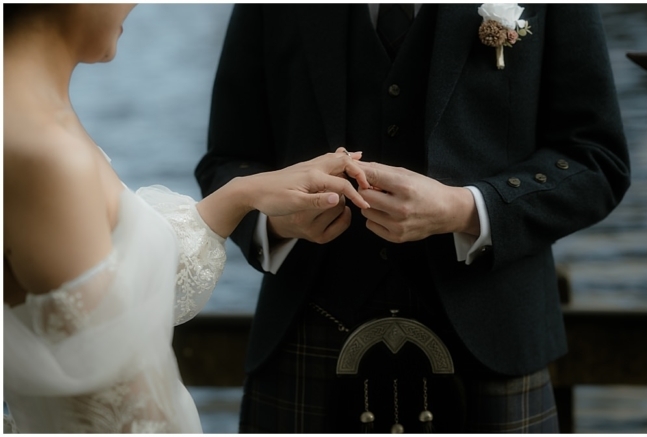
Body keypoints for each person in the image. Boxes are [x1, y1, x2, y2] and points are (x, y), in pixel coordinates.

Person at [194, 4, 631, 433]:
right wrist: (277, 223)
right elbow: (228, 161)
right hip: (306, 333)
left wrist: (465, 209)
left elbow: (596, 161)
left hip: (496, 345)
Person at [3, 4, 371, 433]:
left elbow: (105, 306)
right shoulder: (45, 155)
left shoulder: (34, 119)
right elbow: (121, 398)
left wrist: (243, 194)